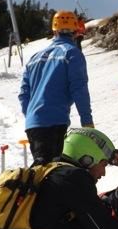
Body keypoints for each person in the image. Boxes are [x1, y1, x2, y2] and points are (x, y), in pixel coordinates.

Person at [19, 10, 94, 165]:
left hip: (33, 124)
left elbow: (23, 94)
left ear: (54, 30)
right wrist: (87, 122)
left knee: (43, 170)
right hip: (55, 122)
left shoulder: (35, 57)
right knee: (51, 174)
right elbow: (79, 89)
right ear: (75, 30)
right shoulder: (72, 53)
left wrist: (34, 115)